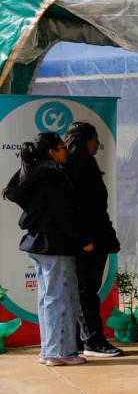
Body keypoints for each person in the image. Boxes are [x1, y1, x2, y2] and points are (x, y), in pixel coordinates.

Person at [3, 132, 86, 366]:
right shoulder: (53, 176)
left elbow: (14, 192)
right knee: (59, 297)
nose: (66, 151)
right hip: (56, 244)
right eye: (62, 147)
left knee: (50, 297)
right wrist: (81, 239)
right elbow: (64, 214)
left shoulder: (32, 172)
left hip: (40, 242)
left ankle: (54, 350)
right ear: (52, 151)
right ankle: (57, 352)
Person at [63, 120, 124, 358]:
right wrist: (83, 238)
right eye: (94, 138)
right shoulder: (71, 169)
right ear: (85, 140)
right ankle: (92, 340)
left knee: (88, 290)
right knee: (85, 291)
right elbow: (74, 210)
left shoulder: (87, 165)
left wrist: (109, 237)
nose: (98, 143)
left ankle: (81, 339)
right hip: (84, 241)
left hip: (96, 238)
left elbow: (99, 209)